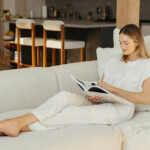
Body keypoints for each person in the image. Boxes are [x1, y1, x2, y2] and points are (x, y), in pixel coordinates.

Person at [1, 24, 150, 137]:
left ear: (137, 42)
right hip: (103, 101)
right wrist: (93, 95)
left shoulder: (145, 65)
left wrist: (113, 89)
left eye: (126, 43)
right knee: (64, 96)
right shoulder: (112, 61)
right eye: (120, 42)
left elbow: (144, 99)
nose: (122, 47)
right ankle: (18, 122)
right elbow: (102, 87)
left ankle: (17, 126)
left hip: (121, 109)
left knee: (71, 112)